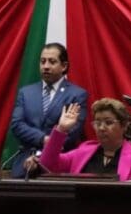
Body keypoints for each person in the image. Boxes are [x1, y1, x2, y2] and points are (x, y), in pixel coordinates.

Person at [9, 43, 88, 178]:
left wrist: (41, 155)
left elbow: (72, 133)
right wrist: (43, 139)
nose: (46, 66)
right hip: (24, 165)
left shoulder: (77, 94)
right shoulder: (26, 92)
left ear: (64, 66)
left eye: (52, 62)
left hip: (58, 166)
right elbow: (17, 125)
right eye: (43, 61)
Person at [40, 99, 131, 181]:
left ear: (124, 125)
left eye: (108, 122)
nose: (101, 128)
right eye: (97, 123)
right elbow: (47, 164)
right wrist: (61, 129)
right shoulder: (84, 150)